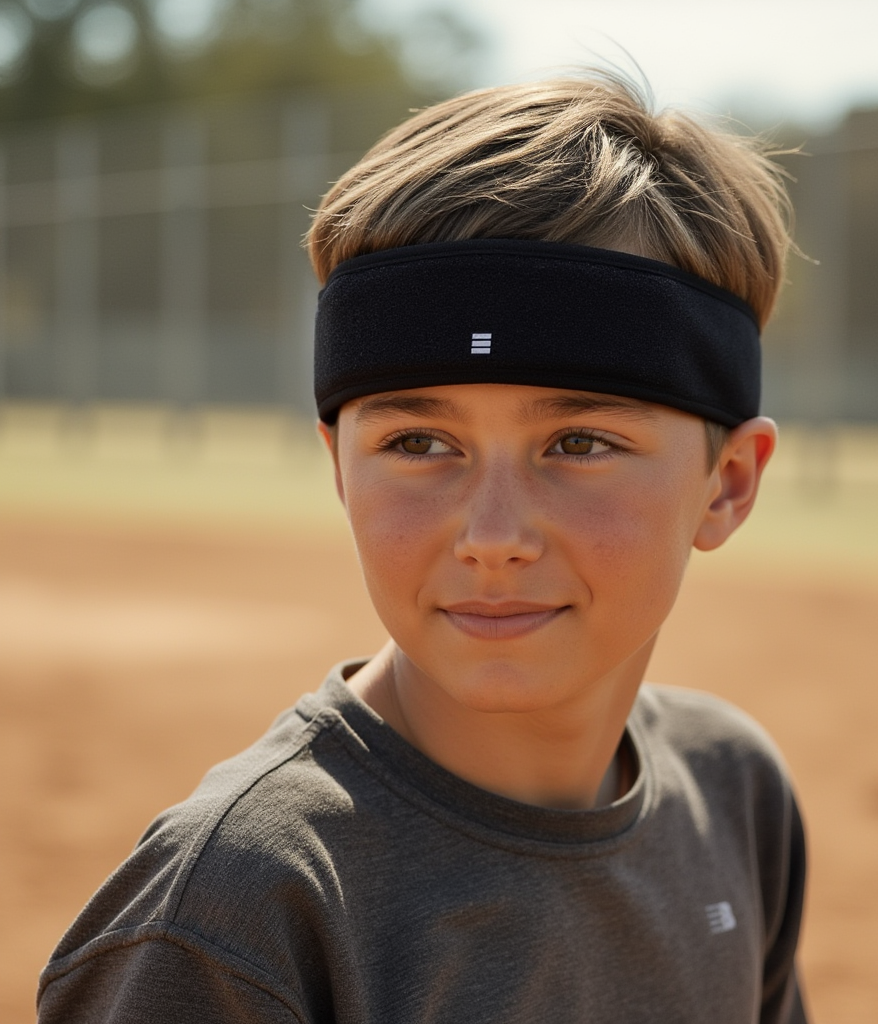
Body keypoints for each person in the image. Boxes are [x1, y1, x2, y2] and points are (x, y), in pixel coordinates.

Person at [38, 71, 809, 1023]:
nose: (492, 538)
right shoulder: (240, 916)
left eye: (578, 444)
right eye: (418, 444)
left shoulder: (735, 796)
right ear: (339, 470)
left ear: (728, 483)